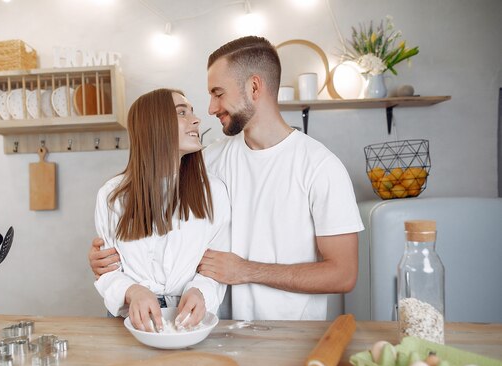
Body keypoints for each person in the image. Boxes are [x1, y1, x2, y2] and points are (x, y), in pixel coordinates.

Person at [90, 36, 363, 321]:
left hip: (291, 334)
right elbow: (155, 204)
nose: (209, 109)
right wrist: (107, 261)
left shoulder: (320, 167)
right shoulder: (208, 161)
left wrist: (246, 270)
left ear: (254, 87)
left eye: (218, 93)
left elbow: (343, 274)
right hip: (220, 332)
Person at [93, 88, 230, 332]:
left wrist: (200, 292)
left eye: (192, 112)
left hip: (190, 321)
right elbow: (107, 271)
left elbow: (215, 267)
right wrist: (132, 291)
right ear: (154, 125)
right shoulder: (112, 196)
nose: (196, 120)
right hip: (130, 323)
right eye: (181, 113)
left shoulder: (214, 192)